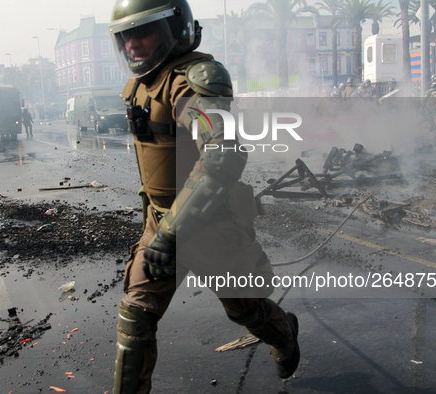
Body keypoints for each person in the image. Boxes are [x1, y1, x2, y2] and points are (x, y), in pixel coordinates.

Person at [108, 0, 300, 392]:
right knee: (135, 318)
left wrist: (169, 234)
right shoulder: (146, 83)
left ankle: (283, 335)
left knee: (245, 310)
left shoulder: (191, 84)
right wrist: (162, 230)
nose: (133, 44)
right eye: (126, 35)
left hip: (212, 228)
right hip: (161, 223)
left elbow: (224, 155)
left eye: (143, 31)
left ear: (173, 28)